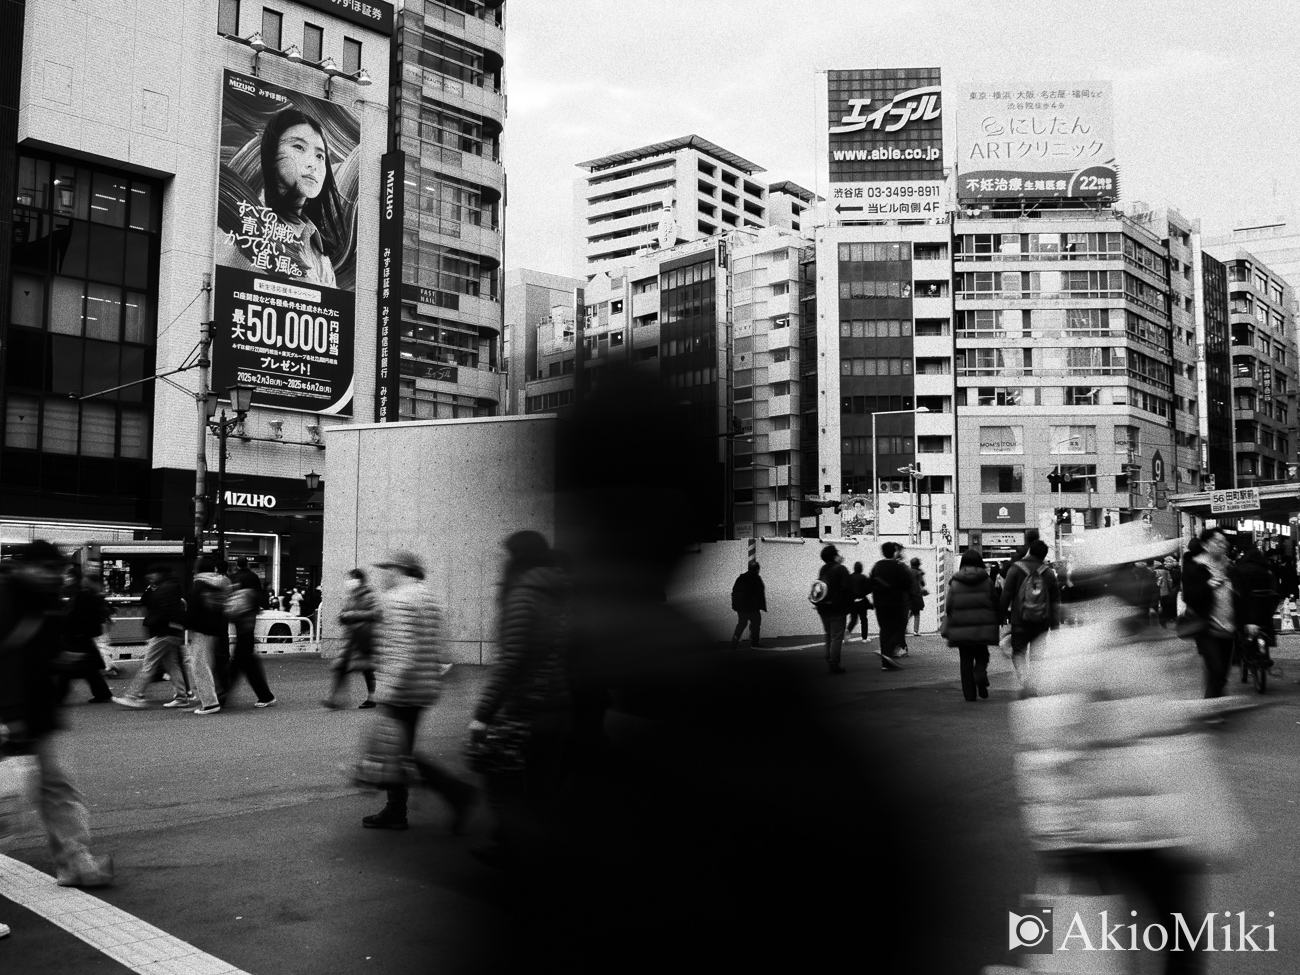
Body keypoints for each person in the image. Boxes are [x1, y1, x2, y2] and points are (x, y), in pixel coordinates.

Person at [0, 541, 113, 888]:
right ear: (27, 566)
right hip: (9, 710)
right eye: (49, 570)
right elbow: (6, 660)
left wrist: (62, 660)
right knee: (7, 800)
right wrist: (13, 717)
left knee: (59, 787)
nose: (57, 577)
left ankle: (76, 862)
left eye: (59, 571)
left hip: (42, 709)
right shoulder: (7, 599)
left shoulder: (47, 599)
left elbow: (38, 651)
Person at [467, 531, 572, 867]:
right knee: (541, 790)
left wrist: (483, 714)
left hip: (526, 708)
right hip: (557, 703)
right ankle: (514, 849)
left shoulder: (523, 596)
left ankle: (530, 857)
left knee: (500, 787)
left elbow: (511, 661)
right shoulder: (558, 592)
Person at [359, 550, 477, 832]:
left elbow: (403, 651)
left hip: (402, 689)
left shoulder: (398, 599)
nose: (383, 574)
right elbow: (440, 647)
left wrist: (385, 690)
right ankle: (398, 809)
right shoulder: (429, 597)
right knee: (400, 750)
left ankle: (454, 794)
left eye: (386, 569)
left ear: (400, 570)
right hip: (423, 687)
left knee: (396, 752)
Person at [238, 107, 348, 288]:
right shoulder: (247, 230)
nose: (313, 164)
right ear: (271, 154)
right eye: (298, 147)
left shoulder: (319, 252)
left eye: (320, 156)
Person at [113, 566, 193, 709]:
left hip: (163, 632)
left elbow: (161, 611)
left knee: (148, 664)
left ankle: (133, 696)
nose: (150, 577)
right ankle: (182, 696)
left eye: (152, 574)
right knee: (172, 666)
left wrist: (149, 621)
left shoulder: (164, 589)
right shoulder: (172, 586)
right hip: (173, 632)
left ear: (159, 574)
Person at [1180, 527, 1238, 700]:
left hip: (1228, 628)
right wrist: (1208, 585)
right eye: (1218, 541)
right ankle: (1213, 707)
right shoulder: (1195, 566)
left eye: (1224, 541)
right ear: (1206, 545)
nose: (1223, 545)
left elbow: (1243, 594)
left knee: (1222, 672)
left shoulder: (1229, 566)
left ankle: (1214, 702)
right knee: (1216, 668)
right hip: (1206, 628)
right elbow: (1188, 595)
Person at [998, 539, 1060, 689]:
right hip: (1042, 623)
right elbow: (1055, 602)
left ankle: (1024, 680)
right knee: (1036, 657)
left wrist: (1000, 617)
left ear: (1029, 551)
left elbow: (1006, 595)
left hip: (1020, 621)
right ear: (1044, 555)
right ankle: (1033, 685)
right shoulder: (1049, 573)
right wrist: (1055, 626)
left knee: (1018, 652)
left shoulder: (1015, 569)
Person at [942, 549, 998, 702]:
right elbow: (995, 602)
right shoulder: (987, 581)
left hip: (961, 626)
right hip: (982, 625)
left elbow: (949, 606)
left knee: (965, 659)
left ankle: (969, 694)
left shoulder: (956, 582)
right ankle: (980, 673)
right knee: (982, 653)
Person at [59, 563, 113, 704]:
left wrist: (70, 628)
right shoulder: (79, 593)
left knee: (66, 667)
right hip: (81, 635)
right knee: (89, 668)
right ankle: (102, 693)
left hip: (77, 635)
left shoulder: (81, 594)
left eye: (69, 576)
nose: (66, 578)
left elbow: (79, 615)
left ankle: (56, 697)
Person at [324, 568, 378, 709]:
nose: (349, 582)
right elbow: (345, 612)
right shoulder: (352, 596)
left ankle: (371, 697)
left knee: (367, 668)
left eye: (352, 579)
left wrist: (353, 614)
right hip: (351, 638)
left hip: (363, 637)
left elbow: (375, 613)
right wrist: (343, 617)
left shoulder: (369, 595)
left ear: (359, 580)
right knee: (341, 667)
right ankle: (335, 698)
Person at [184, 555, 230, 715]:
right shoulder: (219, 584)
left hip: (201, 631)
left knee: (199, 666)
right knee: (206, 665)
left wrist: (185, 625)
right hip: (216, 631)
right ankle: (208, 698)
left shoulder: (199, 585)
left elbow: (193, 610)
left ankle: (210, 703)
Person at [225, 570, 276, 708]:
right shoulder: (252, 597)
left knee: (240, 666)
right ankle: (265, 696)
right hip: (246, 636)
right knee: (245, 666)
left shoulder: (244, 596)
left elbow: (230, 612)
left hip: (244, 636)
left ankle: (223, 695)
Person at [1233, 544, 1281, 676]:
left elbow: (1237, 590)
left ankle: (1239, 655)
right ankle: (1265, 653)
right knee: (1265, 627)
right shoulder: (1266, 570)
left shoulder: (1240, 569)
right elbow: (1275, 587)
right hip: (1265, 607)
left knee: (1240, 631)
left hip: (1247, 606)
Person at [870, 543, 914, 670]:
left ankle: (886, 660)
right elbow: (908, 583)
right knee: (898, 628)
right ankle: (889, 652)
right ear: (894, 552)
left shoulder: (877, 566)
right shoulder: (899, 566)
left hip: (880, 603)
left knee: (884, 629)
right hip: (896, 603)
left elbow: (872, 582)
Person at [814, 545, 852, 675]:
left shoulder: (823, 569)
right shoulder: (841, 569)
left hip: (823, 607)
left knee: (828, 634)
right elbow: (847, 589)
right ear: (835, 556)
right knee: (837, 637)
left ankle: (829, 658)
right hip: (837, 608)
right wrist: (848, 606)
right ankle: (833, 664)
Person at [729, 560, 766, 650]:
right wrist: (762, 606)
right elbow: (760, 593)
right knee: (755, 623)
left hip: (741, 607)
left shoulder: (740, 578)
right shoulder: (756, 578)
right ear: (757, 569)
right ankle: (754, 643)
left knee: (742, 623)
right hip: (752, 607)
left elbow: (734, 591)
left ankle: (735, 638)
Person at [845, 561, 872, 643]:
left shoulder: (849, 577)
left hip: (852, 602)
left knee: (853, 619)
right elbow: (868, 589)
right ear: (861, 568)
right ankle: (864, 638)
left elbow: (846, 589)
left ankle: (848, 630)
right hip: (861, 601)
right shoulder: (863, 577)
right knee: (863, 619)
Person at [908, 556, 928, 638]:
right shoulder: (918, 573)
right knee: (916, 613)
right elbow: (923, 583)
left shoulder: (908, 572)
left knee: (910, 611)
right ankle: (915, 631)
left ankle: (902, 627)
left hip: (908, 595)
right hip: (916, 594)